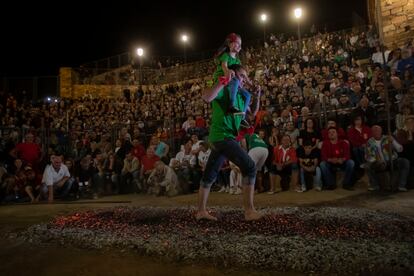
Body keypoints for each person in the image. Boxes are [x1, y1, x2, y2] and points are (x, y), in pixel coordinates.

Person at [196, 64, 262, 221]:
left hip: (220, 138)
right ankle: (249, 211)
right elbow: (206, 97)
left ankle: (201, 211)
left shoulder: (241, 96)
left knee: (209, 174)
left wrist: (257, 96)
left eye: (246, 77)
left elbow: (252, 114)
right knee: (250, 167)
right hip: (222, 136)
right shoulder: (226, 89)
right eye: (242, 76)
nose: (245, 80)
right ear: (233, 75)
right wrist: (223, 81)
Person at [212, 33, 251, 127]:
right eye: (237, 43)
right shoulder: (226, 55)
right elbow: (224, 66)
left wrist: (248, 82)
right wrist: (227, 72)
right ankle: (231, 106)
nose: (239, 46)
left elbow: (242, 73)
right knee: (236, 81)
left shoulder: (237, 60)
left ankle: (242, 117)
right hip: (222, 78)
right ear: (230, 44)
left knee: (247, 95)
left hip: (233, 80)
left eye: (240, 44)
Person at [365, 125, 409, 192]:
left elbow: (400, 149)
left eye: (378, 130)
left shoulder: (388, 138)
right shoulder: (369, 142)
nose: (376, 132)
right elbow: (368, 156)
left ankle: (401, 185)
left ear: (381, 131)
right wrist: (376, 161)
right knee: (368, 166)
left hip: (392, 160)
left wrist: (393, 141)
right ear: (372, 133)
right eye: (374, 131)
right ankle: (375, 185)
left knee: (404, 162)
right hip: (378, 162)